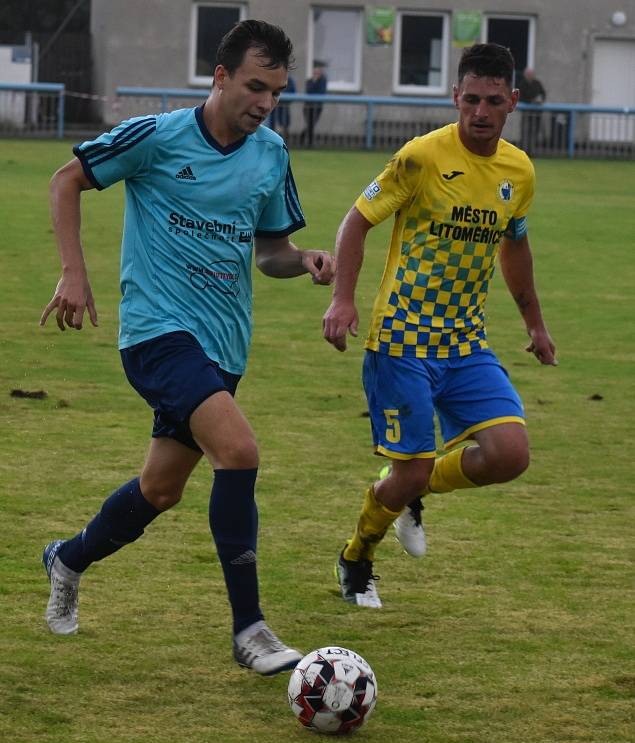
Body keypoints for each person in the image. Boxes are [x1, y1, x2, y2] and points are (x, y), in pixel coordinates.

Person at [40, 20, 334, 674]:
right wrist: (74, 271)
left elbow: (270, 254)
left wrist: (305, 259)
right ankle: (249, 630)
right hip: (156, 334)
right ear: (220, 76)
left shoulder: (270, 155)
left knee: (160, 489)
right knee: (239, 452)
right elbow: (67, 180)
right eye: (255, 86)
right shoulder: (158, 136)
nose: (264, 103)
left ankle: (67, 559)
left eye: (276, 93)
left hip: (222, 349)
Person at [323, 43, 556, 608]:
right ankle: (357, 556)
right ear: (456, 97)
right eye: (471, 99)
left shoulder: (518, 171)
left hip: (465, 342)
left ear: (512, 103)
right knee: (408, 471)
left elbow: (515, 246)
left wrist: (536, 325)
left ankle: (415, 490)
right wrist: (343, 299)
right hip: (401, 341)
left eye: (493, 101)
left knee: (510, 455)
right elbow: (356, 221)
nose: (480, 111)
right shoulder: (422, 157)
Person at [517, 67, 546, 155]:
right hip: (526, 113)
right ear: (525, 75)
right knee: (526, 132)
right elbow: (520, 97)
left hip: (537, 114)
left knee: (535, 132)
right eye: (528, 74)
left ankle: (532, 151)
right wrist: (531, 101)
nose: (530, 76)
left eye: (531, 74)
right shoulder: (522, 84)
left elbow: (543, 94)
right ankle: (524, 151)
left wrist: (541, 100)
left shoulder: (537, 83)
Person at [301, 62, 327, 147]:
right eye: (315, 72)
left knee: (312, 123)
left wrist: (316, 82)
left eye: (318, 72)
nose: (316, 74)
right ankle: (309, 142)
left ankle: (304, 138)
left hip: (317, 106)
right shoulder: (309, 81)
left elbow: (321, 92)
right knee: (310, 123)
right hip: (308, 106)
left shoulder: (323, 81)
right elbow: (309, 91)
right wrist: (314, 81)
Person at [270, 74, 295, 142]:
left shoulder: (289, 80)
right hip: (274, 108)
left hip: (284, 107)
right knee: (272, 124)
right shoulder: (272, 77)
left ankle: (284, 140)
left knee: (284, 124)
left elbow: (292, 92)